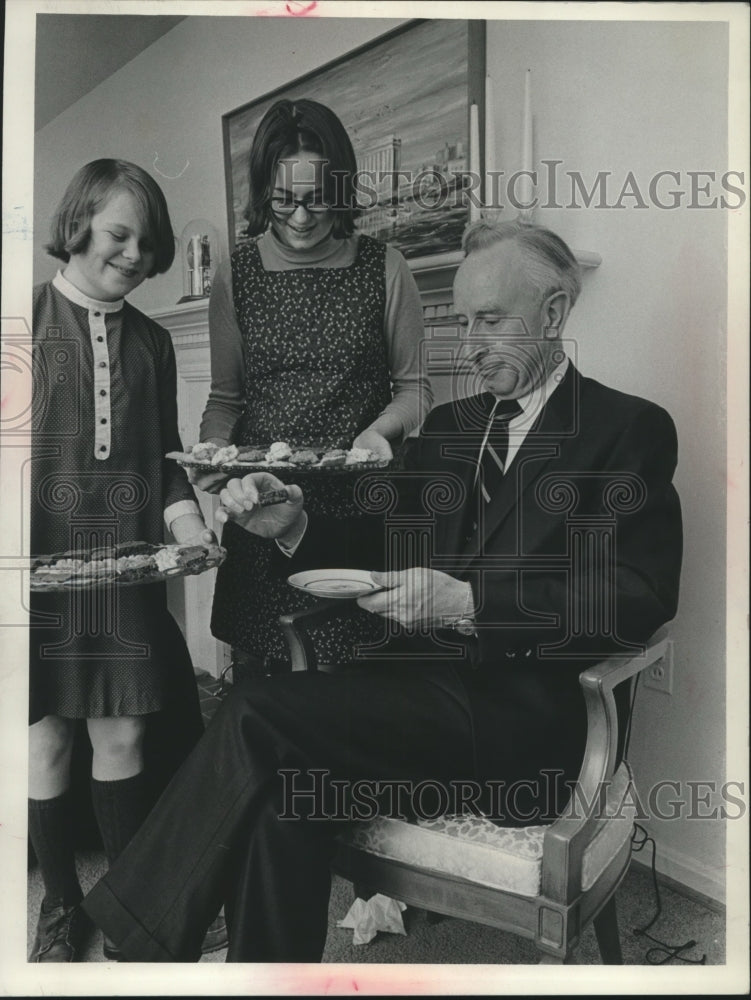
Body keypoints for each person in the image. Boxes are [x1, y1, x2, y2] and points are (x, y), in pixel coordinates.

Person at [82, 219, 683, 962]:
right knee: (283, 790)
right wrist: (291, 523)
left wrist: (466, 603)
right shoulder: (453, 428)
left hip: (531, 726)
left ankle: (135, 941)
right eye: (462, 321)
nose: (469, 342)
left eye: (490, 320)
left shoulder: (626, 429)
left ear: (554, 315)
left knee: (254, 711)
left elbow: (637, 596)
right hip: (419, 699)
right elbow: (379, 545)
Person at [28, 159, 218, 962]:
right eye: (117, 234)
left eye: (147, 240)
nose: (134, 253)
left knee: (124, 735)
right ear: (77, 226)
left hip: (126, 569)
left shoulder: (152, 341)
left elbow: (165, 461)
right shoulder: (21, 317)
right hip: (32, 572)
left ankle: (132, 909)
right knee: (46, 743)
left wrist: (186, 529)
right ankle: (62, 909)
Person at [194, 97, 431, 677]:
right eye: (284, 200)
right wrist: (210, 456)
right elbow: (226, 398)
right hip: (263, 506)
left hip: (357, 513)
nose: (301, 217)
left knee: (354, 690)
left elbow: (416, 388)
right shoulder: (237, 273)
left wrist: (379, 432)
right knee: (259, 680)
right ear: (262, 195)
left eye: (318, 198)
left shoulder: (386, 266)